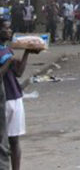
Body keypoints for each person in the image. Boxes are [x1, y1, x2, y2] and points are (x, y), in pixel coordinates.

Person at [0, 19, 34, 170]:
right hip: (3, 99)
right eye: (6, 28)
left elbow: (19, 73)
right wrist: (8, 62)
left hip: (14, 96)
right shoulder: (5, 52)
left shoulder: (7, 49)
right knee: (3, 141)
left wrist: (27, 51)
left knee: (15, 140)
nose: (10, 31)